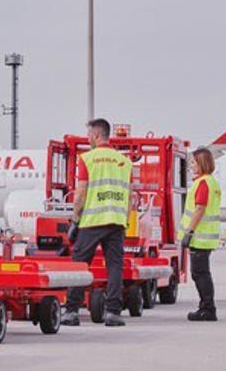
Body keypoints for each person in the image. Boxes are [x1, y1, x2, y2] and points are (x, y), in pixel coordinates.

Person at [60, 118, 132, 327]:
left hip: (92, 221)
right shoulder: (124, 162)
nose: (88, 138)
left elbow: (81, 191)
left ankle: (72, 311)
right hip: (117, 221)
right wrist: (125, 221)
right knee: (115, 267)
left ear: (96, 135)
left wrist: (74, 219)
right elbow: (129, 196)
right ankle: (113, 313)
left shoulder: (88, 159)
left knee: (80, 265)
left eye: (89, 135)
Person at [179, 147, 222, 321]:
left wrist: (189, 231)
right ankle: (207, 307)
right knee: (202, 273)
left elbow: (200, 208)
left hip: (200, 237)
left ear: (201, 163)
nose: (191, 166)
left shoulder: (203, 182)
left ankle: (207, 309)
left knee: (200, 274)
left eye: (193, 162)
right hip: (206, 237)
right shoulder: (212, 182)